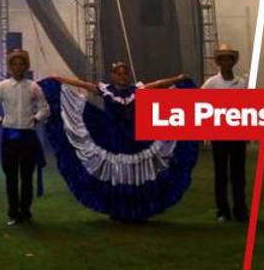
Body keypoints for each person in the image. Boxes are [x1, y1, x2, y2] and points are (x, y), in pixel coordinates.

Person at [42, 62, 198, 222]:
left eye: (125, 74)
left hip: (137, 137)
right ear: (113, 75)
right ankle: (118, 208)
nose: (122, 77)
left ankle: (138, 208)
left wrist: (177, 79)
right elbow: (84, 84)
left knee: (136, 171)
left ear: (128, 76)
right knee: (118, 172)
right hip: (113, 137)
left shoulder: (137, 90)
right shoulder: (106, 90)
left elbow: (158, 84)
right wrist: (60, 79)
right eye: (119, 73)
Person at [0, 49, 49, 225]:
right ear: (10, 66)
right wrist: (0, 121)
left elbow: (45, 108)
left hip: (28, 135)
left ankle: (25, 212)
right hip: (9, 135)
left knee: (27, 177)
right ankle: (13, 213)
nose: (17, 67)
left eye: (21, 64)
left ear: (26, 66)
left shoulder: (34, 86)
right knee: (11, 177)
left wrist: (36, 119)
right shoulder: (2, 86)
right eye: (14, 64)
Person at [200, 44, 249, 222]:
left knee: (239, 175)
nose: (226, 62)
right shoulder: (211, 83)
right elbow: (199, 104)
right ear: (218, 62)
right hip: (219, 136)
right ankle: (222, 210)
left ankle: (240, 210)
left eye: (229, 58)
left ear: (233, 61)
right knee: (221, 174)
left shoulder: (242, 83)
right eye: (223, 58)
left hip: (238, 135)